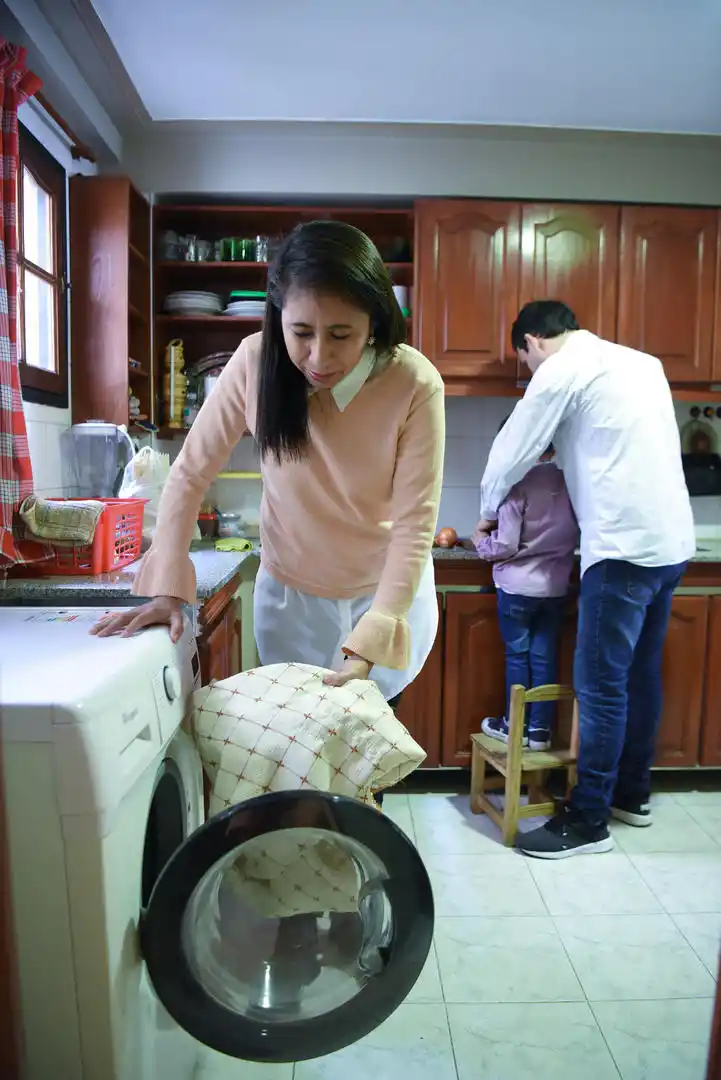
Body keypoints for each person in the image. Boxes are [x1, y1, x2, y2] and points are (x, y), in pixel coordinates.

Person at [93, 221, 445, 714]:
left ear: (375, 323)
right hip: (291, 599)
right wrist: (168, 585)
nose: (318, 357)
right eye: (301, 332)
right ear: (278, 316)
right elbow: (191, 472)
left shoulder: (412, 381)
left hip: (383, 590)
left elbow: (414, 526)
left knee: (366, 761)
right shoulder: (255, 362)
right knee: (296, 754)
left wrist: (375, 634)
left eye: (341, 334)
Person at [475, 300, 694, 859]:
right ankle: (631, 795)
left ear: (532, 342)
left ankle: (589, 820)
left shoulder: (561, 368)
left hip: (620, 550)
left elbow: (514, 447)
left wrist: (486, 508)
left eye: (522, 359)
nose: (526, 370)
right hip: (670, 546)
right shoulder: (642, 363)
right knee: (640, 675)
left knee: (600, 689)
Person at [474, 433, 579, 752]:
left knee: (518, 655)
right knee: (544, 654)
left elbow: (505, 544)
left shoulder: (514, 484)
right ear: (554, 448)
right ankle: (539, 731)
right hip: (556, 586)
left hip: (518, 588)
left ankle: (513, 726)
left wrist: (480, 540)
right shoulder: (573, 483)